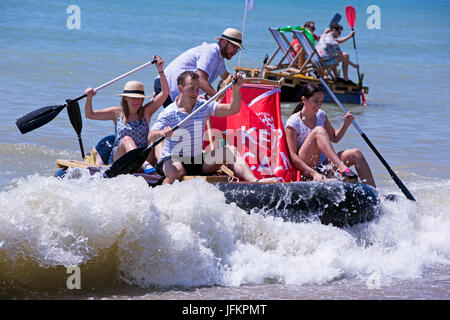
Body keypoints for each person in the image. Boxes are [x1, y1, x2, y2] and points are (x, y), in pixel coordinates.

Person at [148, 71, 277, 184]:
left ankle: (255, 182)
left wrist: (237, 88)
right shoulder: (169, 112)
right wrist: (162, 132)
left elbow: (233, 109)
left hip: (197, 160)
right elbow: (151, 135)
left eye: (198, 88)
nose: (195, 92)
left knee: (230, 150)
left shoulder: (203, 106)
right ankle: (162, 196)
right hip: (173, 159)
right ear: (181, 89)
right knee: (177, 170)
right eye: (191, 88)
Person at [84, 56, 169, 172]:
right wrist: (89, 98)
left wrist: (160, 70)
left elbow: (165, 93)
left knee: (156, 137)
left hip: (143, 155)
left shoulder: (146, 112)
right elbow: (90, 115)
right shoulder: (116, 113)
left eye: (139, 98)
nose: (136, 101)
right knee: (126, 140)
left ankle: (162, 167)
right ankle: (144, 165)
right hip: (120, 159)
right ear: (125, 99)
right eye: (132, 98)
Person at [285, 83, 376, 187]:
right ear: (304, 100)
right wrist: (314, 173)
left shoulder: (321, 115)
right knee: (319, 130)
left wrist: (346, 124)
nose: (319, 104)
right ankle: (342, 168)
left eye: (321, 101)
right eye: (315, 101)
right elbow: (293, 157)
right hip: (308, 167)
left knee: (356, 153)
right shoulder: (293, 122)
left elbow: (335, 137)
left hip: (325, 166)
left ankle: (375, 193)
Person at [154, 27, 243, 108]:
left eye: (238, 49)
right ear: (224, 42)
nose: (236, 51)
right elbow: (201, 80)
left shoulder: (219, 59)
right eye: (234, 47)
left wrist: (242, 81)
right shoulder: (211, 52)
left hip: (175, 89)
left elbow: (227, 77)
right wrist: (218, 100)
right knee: (177, 122)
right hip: (167, 86)